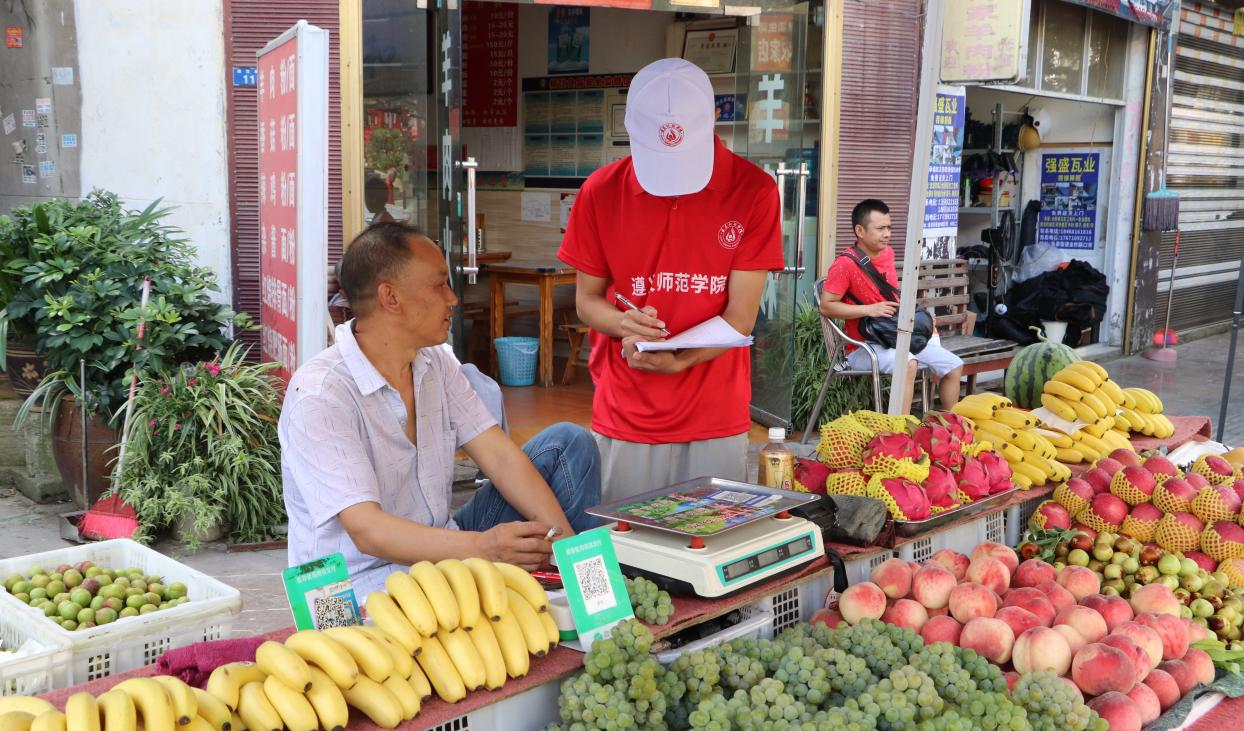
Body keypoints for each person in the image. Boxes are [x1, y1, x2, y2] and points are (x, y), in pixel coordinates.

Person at [279, 222, 602, 600]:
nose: (453, 298)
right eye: (439, 285)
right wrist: (484, 548)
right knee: (463, 628)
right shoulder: (320, 393)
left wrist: (568, 551)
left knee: (568, 444)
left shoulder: (434, 362)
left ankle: (584, 587)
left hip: (441, 553)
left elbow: (499, 456)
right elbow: (367, 531)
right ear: (391, 298)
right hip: (352, 588)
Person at [559, 58, 784, 502]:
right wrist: (626, 325)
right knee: (630, 550)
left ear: (714, 117)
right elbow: (587, 300)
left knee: (707, 546)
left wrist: (681, 359)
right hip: (627, 410)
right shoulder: (601, 191)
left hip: (714, 411)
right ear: (630, 127)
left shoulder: (753, 191)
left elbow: (740, 316)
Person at [819, 199, 964, 411]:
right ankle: (897, 435)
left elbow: (892, 299)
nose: (887, 234)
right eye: (880, 228)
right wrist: (869, 309)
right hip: (861, 346)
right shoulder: (844, 265)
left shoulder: (887, 253)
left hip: (894, 336)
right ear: (860, 230)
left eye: (889, 227)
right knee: (908, 364)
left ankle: (952, 427)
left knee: (953, 366)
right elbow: (826, 306)